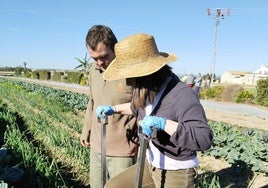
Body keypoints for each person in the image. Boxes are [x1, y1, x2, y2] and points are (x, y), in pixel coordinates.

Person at [96, 33, 213, 188]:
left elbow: (204, 138)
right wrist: (113, 109)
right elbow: (137, 106)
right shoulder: (150, 90)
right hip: (150, 164)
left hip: (176, 171)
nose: (128, 82)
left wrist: (163, 124)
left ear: (147, 75)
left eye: (130, 77)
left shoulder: (182, 95)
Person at [80, 25, 139, 188]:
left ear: (115, 48)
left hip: (123, 150)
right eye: (94, 58)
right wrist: (87, 130)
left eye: (104, 57)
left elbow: (143, 106)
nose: (99, 63)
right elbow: (92, 102)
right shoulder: (94, 70)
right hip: (98, 146)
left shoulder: (131, 72)